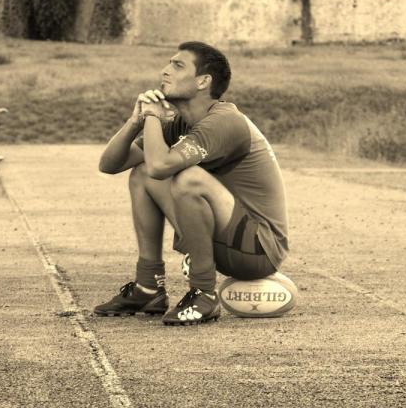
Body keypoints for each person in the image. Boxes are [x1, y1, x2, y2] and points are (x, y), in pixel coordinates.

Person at [95, 41, 289, 326]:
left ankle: (203, 293)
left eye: (177, 65)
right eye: (168, 64)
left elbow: (163, 167)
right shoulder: (182, 122)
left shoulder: (224, 121)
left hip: (258, 250)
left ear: (203, 81)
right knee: (142, 172)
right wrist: (135, 121)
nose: (165, 71)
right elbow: (109, 165)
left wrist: (152, 116)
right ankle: (149, 287)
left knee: (188, 179)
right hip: (226, 237)